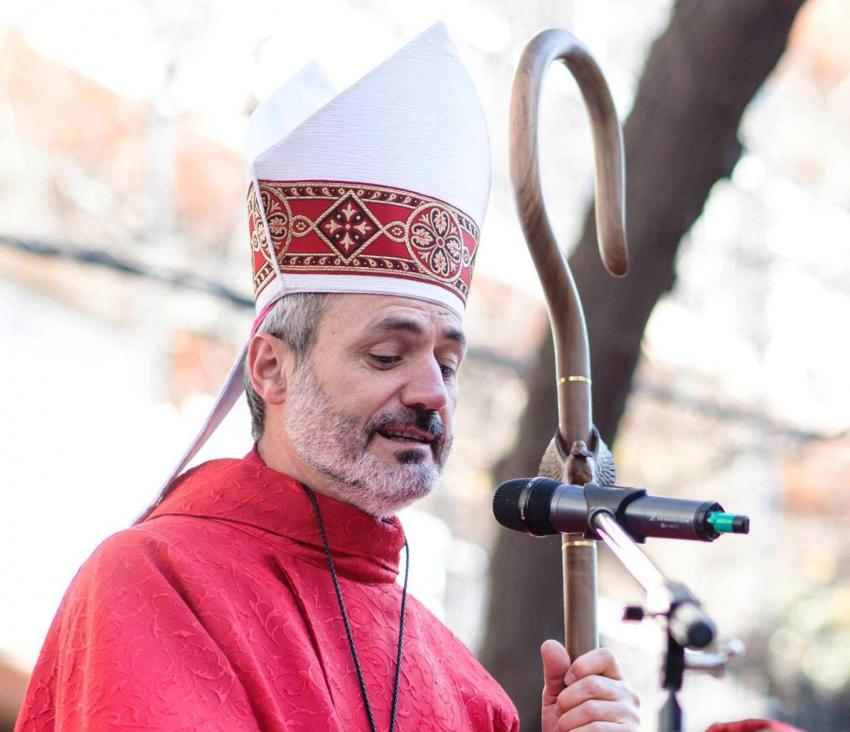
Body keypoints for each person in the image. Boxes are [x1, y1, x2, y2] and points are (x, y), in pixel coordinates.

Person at [16, 24, 640, 731]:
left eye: (448, 363)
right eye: (387, 355)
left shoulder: (469, 691)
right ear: (272, 368)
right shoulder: (154, 581)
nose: (433, 392)